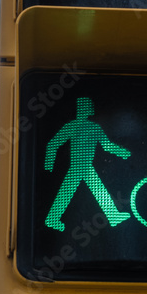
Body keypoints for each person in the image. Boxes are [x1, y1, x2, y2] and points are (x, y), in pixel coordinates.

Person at [44, 97, 130, 231]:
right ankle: (52, 219)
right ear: (85, 109)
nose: (91, 110)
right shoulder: (80, 126)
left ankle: (113, 216)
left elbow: (107, 146)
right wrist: (48, 165)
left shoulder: (88, 126)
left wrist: (121, 152)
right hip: (79, 165)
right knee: (70, 192)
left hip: (83, 165)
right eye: (89, 107)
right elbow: (53, 144)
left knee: (93, 190)